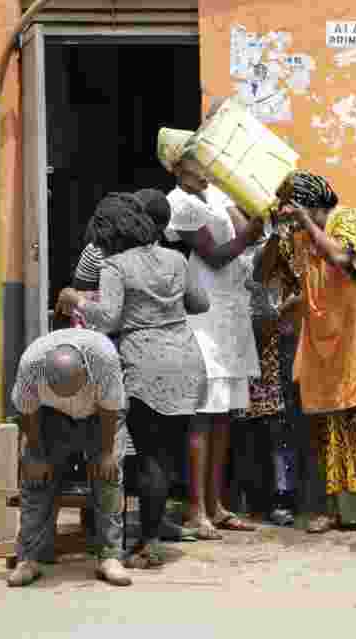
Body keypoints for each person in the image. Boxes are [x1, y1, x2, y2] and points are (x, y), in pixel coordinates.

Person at [56, 193, 210, 568]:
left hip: (144, 365)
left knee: (145, 458)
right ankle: (150, 537)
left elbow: (107, 319)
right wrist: (165, 301)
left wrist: (73, 298)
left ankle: (141, 543)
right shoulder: (175, 258)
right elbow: (200, 303)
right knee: (165, 455)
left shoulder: (115, 266)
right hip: (186, 361)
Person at [258, 171, 356, 532]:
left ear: (311, 205)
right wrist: (272, 228)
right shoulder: (297, 233)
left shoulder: (346, 218)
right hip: (320, 340)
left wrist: (306, 224)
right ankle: (330, 509)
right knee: (325, 426)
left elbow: (342, 259)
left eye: (297, 207)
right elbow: (262, 272)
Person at [159, 128, 262, 538]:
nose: (205, 169)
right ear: (177, 166)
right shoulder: (178, 203)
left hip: (232, 312)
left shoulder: (216, 195)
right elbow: (215, 255)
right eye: (195, 162)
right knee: (202, 414)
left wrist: (254, 222)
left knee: (224, 415)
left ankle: (217, 505)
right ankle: (196, 509)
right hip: (203, 314)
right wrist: (250, 235)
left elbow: (245, 232)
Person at [7, 329, 131, 587]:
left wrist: (107, 454)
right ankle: (29, 557)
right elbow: (27, 411)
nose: (68, 395)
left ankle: (110, 556)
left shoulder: (104, 359)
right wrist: (37, 454)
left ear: (85, 372)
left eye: (72, 389)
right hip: (51, 416)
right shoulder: (31, 365)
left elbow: (111, 408)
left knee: (108, 478)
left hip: (100, 416)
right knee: (36, 479)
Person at [234, 242, 303, 526]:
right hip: (258, 371)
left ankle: (282, 498)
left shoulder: (292, 283)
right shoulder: (250, 285)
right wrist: (280, 312)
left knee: (281, 436)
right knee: (257, 435)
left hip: (283, 368)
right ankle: (255, 499)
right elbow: (258, 328)